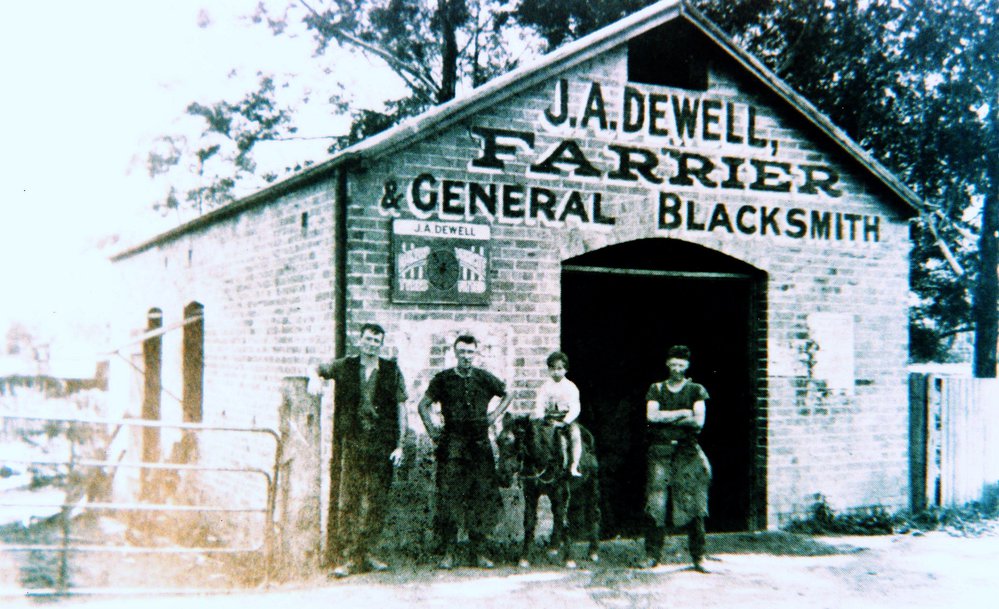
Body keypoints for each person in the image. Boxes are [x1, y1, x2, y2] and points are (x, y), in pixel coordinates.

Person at [315, 323, 407, 578]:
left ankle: (367, 552)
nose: (371, 344)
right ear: (360, 341)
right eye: (368, 339)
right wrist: (314, 378)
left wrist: (400, 445)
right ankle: (349, 557)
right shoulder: (346, 366)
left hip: (382, 445)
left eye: (376, 341)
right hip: (353, 443)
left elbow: (402, 409)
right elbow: (319, 368)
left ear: (381, 344)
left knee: (377, 500)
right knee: (350, 499)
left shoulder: (391, 370)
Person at [417, 334, 513, 569]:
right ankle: (449, 552)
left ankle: (478, 552)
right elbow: (423, 405)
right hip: (453, 445)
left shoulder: (483, 378)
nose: (466, 357)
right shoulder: (444, 379)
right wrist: (433, 431)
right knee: (450, 497)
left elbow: (508, 394)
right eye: (462, 353)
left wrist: (493, 415)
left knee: (480, 497)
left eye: (470, 353)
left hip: (479, 444)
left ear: (475, 354)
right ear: (455, 353)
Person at [642, 344, 711, 572]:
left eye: (681, 365)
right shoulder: (656, 389)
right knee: (656, 503)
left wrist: (666, 418)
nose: (676, 369)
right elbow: (651, 416)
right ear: (667, 364)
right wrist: (683, 413)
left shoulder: (696, 390)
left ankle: (698, 557)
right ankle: (652, 555)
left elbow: (698, 421)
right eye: (673, 364)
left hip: (687, 452)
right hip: (660, 451)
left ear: (688, 365)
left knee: (694, 503)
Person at [531, 351, 583, 477]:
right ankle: (541, 464)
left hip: (565, 418)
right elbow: (540, 403)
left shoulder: (570, 387)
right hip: (549, 418)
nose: (556, 372)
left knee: (575, 435)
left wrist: (565, 421)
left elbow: (575, 407)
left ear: (565, 369)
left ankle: (573, 466)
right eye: (552, 368)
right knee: (536, 435)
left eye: (559, 368)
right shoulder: (545, 387)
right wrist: (540, 415)